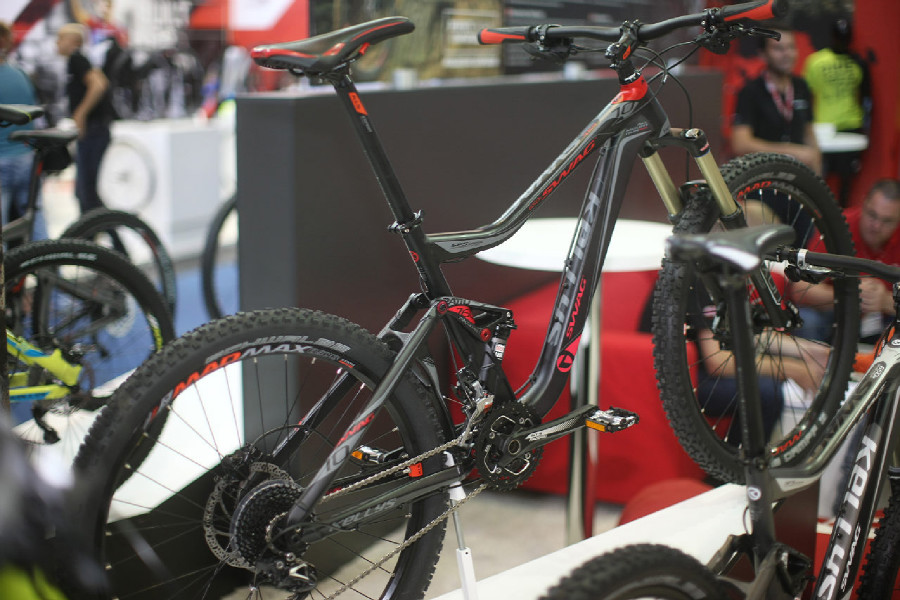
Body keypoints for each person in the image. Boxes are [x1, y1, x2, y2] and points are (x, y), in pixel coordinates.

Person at [796, 179, 900, 342]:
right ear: (863, 203)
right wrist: (849, 293)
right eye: (872, 215)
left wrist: (888, 301)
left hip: (887, 317)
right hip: (836, 311)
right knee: (806, 319)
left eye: (887, 221)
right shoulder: (836, 226)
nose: (876, 226)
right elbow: (799, 288)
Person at [731, 29, 822, 175]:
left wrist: (817, 180)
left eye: (791, 47)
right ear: (763, 54)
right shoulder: (750, 91)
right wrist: (790, 151)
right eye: (779, 48)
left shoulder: (801, 87)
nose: (787, 54)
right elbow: (741, 144)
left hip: (797, 177)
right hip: (762, 176)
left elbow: (809, 135)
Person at [803, 18, 872, 206]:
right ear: (833, 37)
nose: (843, 41)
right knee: (819, 175)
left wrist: (867, 127)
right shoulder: (816, 61)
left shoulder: (858, 62)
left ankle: (842, 215)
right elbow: (805, 96)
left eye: (846, 37)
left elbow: (867, 97)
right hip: (824, 127)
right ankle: (816, 213)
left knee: (846, 179)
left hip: (851, 126)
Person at [56, 23, 115, 216]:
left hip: (93, 130)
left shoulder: (77, 59)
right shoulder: (81, 60)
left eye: (60, 38)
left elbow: (99, 85)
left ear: (72, 41)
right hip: (94, 130)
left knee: (86, 194)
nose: (57, 43)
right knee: (84, 193)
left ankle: (101, 231)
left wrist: (80, 114)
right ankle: (95, 231)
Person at [0, 20, 47, 240]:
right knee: (36, 223)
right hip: (26, 156)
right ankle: (49, 260)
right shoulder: (20, 74)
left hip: (2, 159)